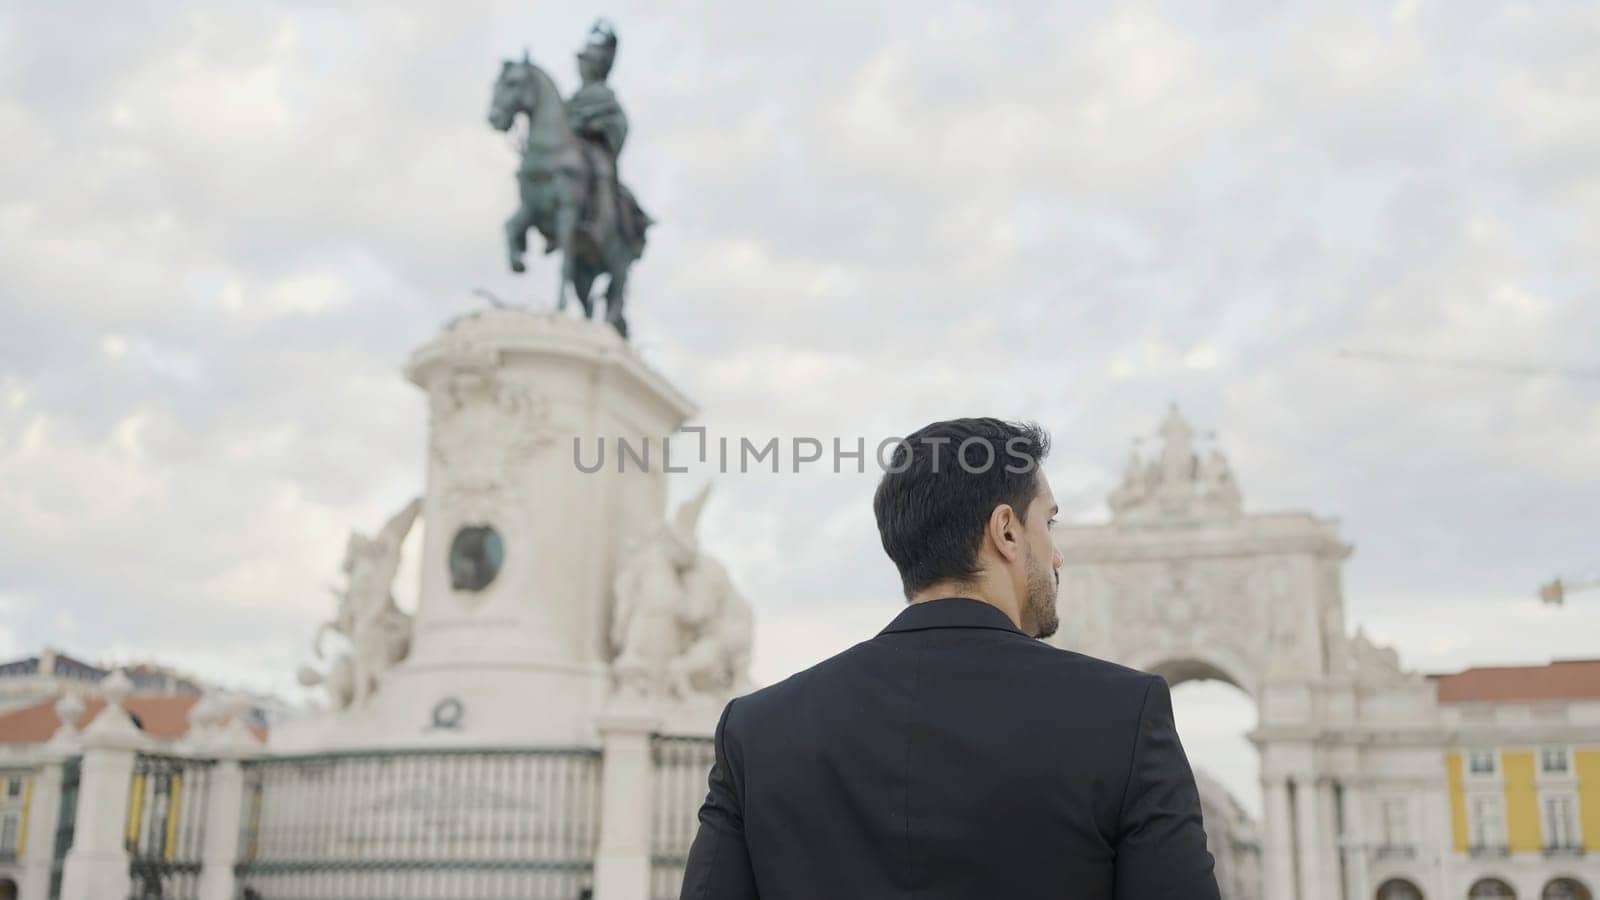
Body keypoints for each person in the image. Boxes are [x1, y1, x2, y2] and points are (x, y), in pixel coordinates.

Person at [679, 418, 1219, 899]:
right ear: (1006, 530)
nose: (1057, 555)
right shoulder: (1123, 714)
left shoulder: (756, 730)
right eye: (1048, 524)